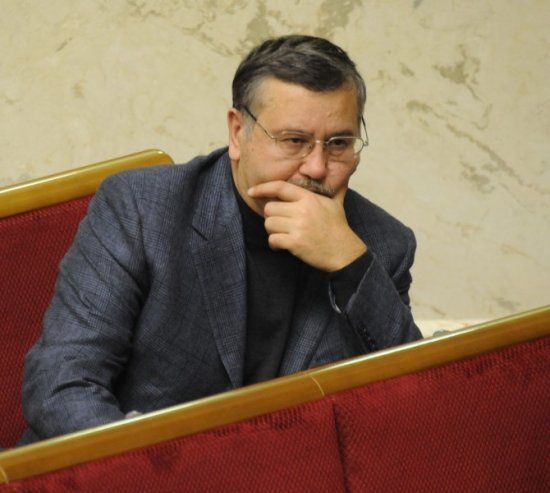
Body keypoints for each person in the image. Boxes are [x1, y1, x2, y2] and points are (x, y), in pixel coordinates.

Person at [20, 35, 422, 444]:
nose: (317, 168)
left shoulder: (381, 244)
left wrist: (351, 265)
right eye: (294, 141)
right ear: (237, 132)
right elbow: (61, 382)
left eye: (338, 144)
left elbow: (419, 404)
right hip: (135, 466)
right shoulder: (141, 209)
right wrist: (148, 467)